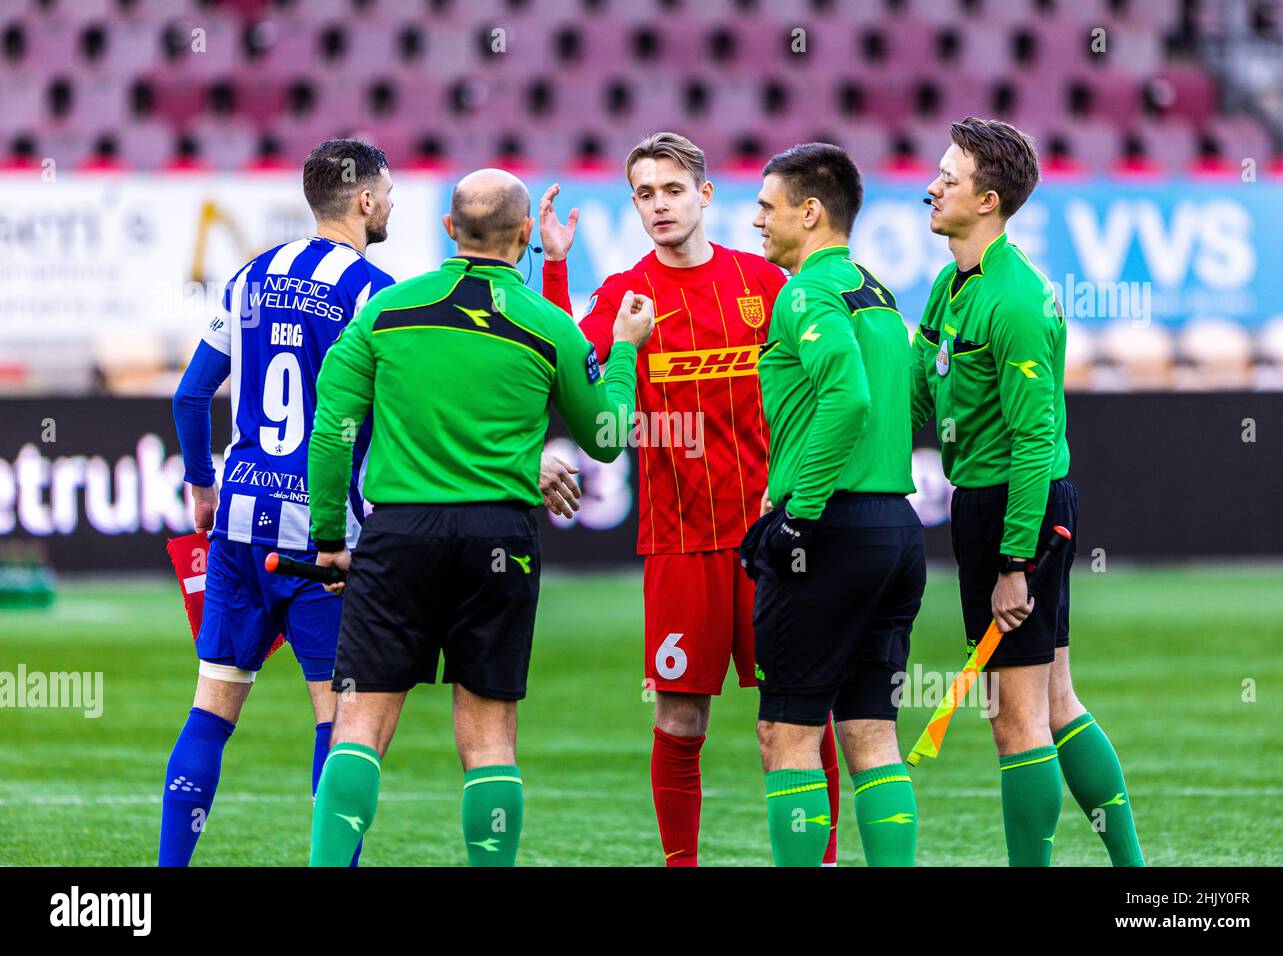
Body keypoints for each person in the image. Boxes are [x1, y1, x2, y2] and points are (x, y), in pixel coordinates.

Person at [306, 168, 654, 866]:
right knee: (490, 735)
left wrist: (329, 540)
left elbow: (332, 429)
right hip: (499, 541)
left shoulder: (385, 312)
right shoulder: (548, 325)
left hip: (399, 536)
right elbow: (610, 439)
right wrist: (623, 352)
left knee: (361, 724)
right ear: (527, 235)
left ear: (446, 230)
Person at [538, 131, 844, 867]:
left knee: (794, 721)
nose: (660, 205)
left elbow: (829, 390)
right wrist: (553, 267)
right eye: (644, 193)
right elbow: (562, 371)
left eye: (673, 189)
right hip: (678, 542)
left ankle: (821, 860)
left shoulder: (767, 285)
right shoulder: (622, 296)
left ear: (705, 195)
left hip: (775, 540)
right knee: (679, 719)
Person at [912, 116, 1143, 866]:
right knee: (1053, 702)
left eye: (949, 176)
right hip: (987, 505)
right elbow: (920, 395)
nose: (932, 185)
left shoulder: (1015, 299)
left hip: (1019, 505)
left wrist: (1015, 560)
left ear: (987, 200)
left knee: (1015, 722)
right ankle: (1133, 870)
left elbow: (1035, 439)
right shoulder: (951, 285)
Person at [162, 139, 396, 866]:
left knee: (211, 711)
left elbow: (191, 394)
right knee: (339, 721)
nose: (389, 205)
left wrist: (203, 487)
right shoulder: (373, 292)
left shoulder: (248, 278)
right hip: (324, 539)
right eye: (386, 194)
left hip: (238, 523)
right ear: (363, 200)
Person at [748, 143, 925, 867]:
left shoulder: (805, 293)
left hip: (828, 532)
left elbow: (846, 398)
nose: (757, 220)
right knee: (871, 733)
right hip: (895, 531)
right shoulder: (879, 294)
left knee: (785, 735)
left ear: (810, 212)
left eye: (767, 206)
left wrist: (798, 512)